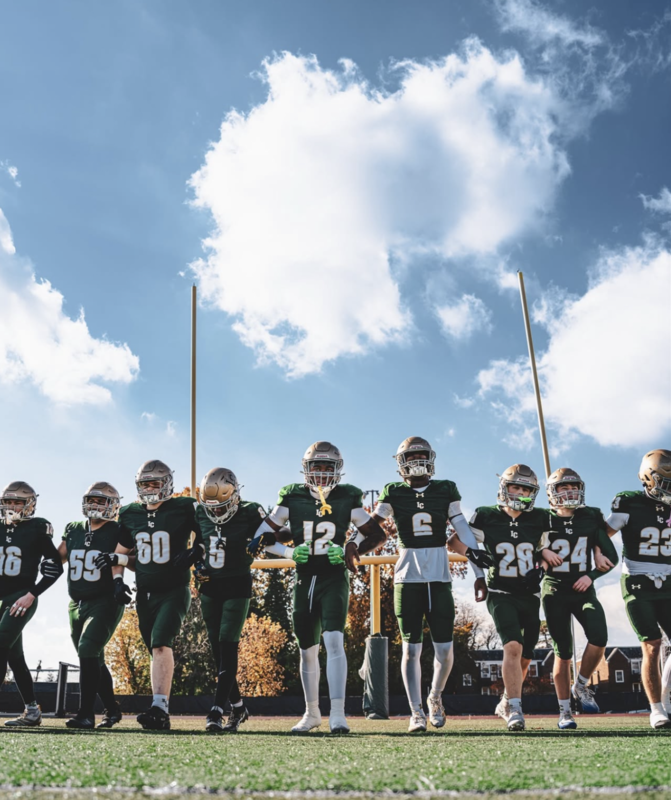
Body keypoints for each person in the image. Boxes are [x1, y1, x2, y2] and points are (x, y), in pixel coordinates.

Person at [249, 441, 385, 734]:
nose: (322, 473)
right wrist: (288, 553)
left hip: (333, 577)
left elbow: (375, 534)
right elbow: (262, 535)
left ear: (338, 470)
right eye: (316, 467)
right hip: (304, 577)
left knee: (334, 642)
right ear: (306, 469)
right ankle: (312, 713)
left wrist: (351, 546)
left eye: (328, 467)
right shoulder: (292, 497)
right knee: (306, 649)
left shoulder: (348, 497)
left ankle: (338, 714)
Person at [365, 436, 490, 733]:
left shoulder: (445, 489)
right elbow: (373, 523)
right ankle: (416, 711)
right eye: (410, 456)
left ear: (431, 458)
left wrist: (479, 571)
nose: (416, 461)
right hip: (407, 579)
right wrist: (353, 544)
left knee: (445, 652)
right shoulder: (393, 491)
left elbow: (462, 530)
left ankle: (435, 697)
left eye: (421, 455)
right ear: (400, 463)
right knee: (411, 650)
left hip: (439, 578)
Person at [451, 464, 560, 731]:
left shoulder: (540, 518)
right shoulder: (487, 515)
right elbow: (454, 541)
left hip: (529, 594)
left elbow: (545, 551)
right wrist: (472, 552)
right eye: (516, 487)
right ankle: (515, 707)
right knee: (512, 646)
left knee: (525, 653)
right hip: (500, 591)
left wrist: (541, 569)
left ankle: (505, 699)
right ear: (504, 488)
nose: (520, 492)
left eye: (526, 489)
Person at [110, 459, 203, 730]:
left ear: (168, 484)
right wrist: (117, 580)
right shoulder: (130, 513)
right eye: (145, 484)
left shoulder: (184, 507)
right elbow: (120, 553)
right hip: (145, 592)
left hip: (174, 589)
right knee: (154, 648)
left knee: (162, 642)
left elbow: (207, 532)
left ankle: (159, 708)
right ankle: (158, 706)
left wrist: (196, 551)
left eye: (155, 483)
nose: (149, 489)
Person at [541, 468, 618, 730]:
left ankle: (582, 684)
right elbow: (526, 547)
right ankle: (564, 712)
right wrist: (542, 552)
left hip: (583, 588)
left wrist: (593, 573)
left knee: (599, 636)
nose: (569, 491)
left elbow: (612, 557)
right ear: (552, 493)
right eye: (563, 487)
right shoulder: (541, 519)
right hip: (554, 591)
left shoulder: (590, 516)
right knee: (562, 652)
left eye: (573, 486)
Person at [194, 467, 266, 733]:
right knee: (218, 654)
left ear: (235, 496)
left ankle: (215, 711)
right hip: (209, 587)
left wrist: (266, 537)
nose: (215, 512)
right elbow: (200, 543)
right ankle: (238, 707)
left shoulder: (250, 511)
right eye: (210, 506)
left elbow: (279, 534)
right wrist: (196, 562)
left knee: (228, 646)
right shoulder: (200, 512)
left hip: (237, 584)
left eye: (221, 505)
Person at [605, 449, 671, 730]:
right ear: (648, 477)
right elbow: (601, 535)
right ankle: (656, 709)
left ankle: (666, 701)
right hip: (638, 580)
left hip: (669, 580)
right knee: (652, 645)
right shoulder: (629, 502)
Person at [58, 482, 128, 728]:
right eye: (92, 500)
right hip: (75, 604)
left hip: (105, 600)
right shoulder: (74, 528)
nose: (95, 505)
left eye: (101, 501)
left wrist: (119, 581)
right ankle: (112, 709)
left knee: (88, 648)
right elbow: (60, 557)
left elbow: (126, 558)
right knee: (93, 658)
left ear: (113, 506)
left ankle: (85, 713)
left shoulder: (118, 530)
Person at [0, 481, 63, 727]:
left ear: (30, 505)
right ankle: (32, 711)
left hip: (20, 598)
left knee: (1, 643)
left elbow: (55, 567)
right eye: (9, 501)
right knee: (15, 658)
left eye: (18, 501)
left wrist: (32, 594)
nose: (13, 506)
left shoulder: (37, 528)